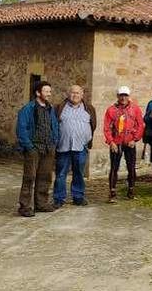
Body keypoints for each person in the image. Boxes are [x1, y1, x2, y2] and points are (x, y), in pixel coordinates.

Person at [16, 81, 60, 217]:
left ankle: (41, 203)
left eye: (49, 91)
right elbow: (21, 129)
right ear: (38, 93)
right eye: (46, 91)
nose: (49, 94)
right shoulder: (27, 109)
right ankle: (25, 207)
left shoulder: (50, 108)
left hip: (48, 148)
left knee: (45, 177)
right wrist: (29, 146)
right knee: (29, 177)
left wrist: (54, 141)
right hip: (33, 148)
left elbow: (54, 125)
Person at [53, 85, 96, 208]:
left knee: (79, 173)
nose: (75, 95)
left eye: (78, 93)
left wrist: (87, 140)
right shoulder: (59, 108)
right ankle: (59, 198)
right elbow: (54, 124)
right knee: (61, 174)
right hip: (63, 146)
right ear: (68, 94)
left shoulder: (89, 109)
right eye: (72, 93)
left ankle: (78, 197)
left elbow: (93, 125)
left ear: (82, 95)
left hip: (81, 147)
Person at [103, 86, 145, 203]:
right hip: (116, 142)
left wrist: (135, 139)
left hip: (129, 142)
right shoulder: (111, 110)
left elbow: (140, 125)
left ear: (129, 96)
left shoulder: (135, 109)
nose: (123, 98)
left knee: (131, 167)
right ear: (117, 96)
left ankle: (131, 190)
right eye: (121, 95)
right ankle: (112, 192)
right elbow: (107, 127)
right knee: (114, 168)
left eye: (125, 95)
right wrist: (110, 142)